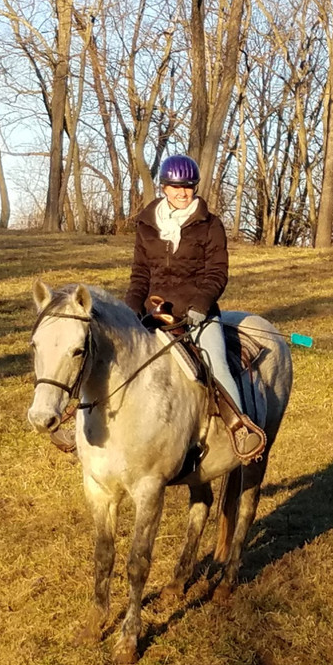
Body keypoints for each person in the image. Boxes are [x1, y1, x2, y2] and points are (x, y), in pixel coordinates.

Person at [125, 154, 266, 461]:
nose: (182, 192)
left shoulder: (210, 225)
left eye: (188, 187)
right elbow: (140, 274)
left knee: (215, 361)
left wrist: (201, 304)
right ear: (164, 187)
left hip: (197, 315)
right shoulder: (146, 225)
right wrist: (131, 307)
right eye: (176, 186)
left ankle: (239, 428)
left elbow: (217, 271)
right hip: (155, 314)